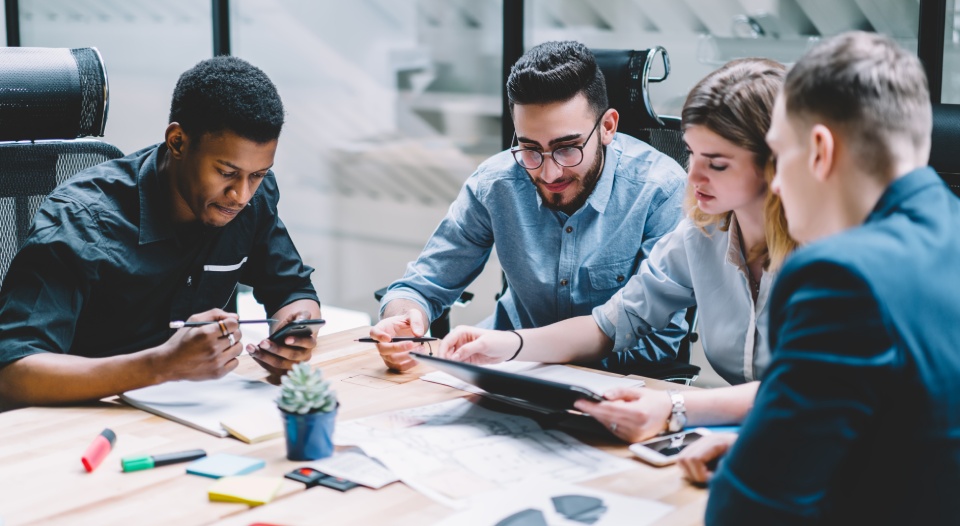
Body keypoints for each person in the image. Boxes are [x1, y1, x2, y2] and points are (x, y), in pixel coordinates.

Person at [677, 31, 960, 524]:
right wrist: (781, 451)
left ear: (820, 150)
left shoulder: (837, 278)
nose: (778, 184)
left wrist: (765, 469)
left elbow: (749, 512)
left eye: (780, 155)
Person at [438, 58, 797, 443]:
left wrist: (674, 407)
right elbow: (611, 323)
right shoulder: (702, 233)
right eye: (691, 153)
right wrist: (506, 345)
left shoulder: (825, 252)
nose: (691, 176)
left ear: (776, 163)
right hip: (757, 433)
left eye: (717, 163)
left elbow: (813, 387)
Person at [0, 57, 321, 408]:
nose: (241, 195)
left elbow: (294, 291)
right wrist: (163, 365)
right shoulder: (81, 219)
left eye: (257, 175)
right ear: (178, 142)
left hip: (204, 412)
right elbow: (14, 373)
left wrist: (296, 332)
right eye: (226, 172)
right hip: (88, 419)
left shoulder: (249, 201)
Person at [371, 41, 688, 373]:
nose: (548, 172)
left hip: (614, 386)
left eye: (567, 148)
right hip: (502, 368)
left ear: (607, 127)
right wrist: (404, 321)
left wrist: (526, 352)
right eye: (530, 148)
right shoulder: (496, 183)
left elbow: (658, 346)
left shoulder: (659, 190)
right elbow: (419, 287)